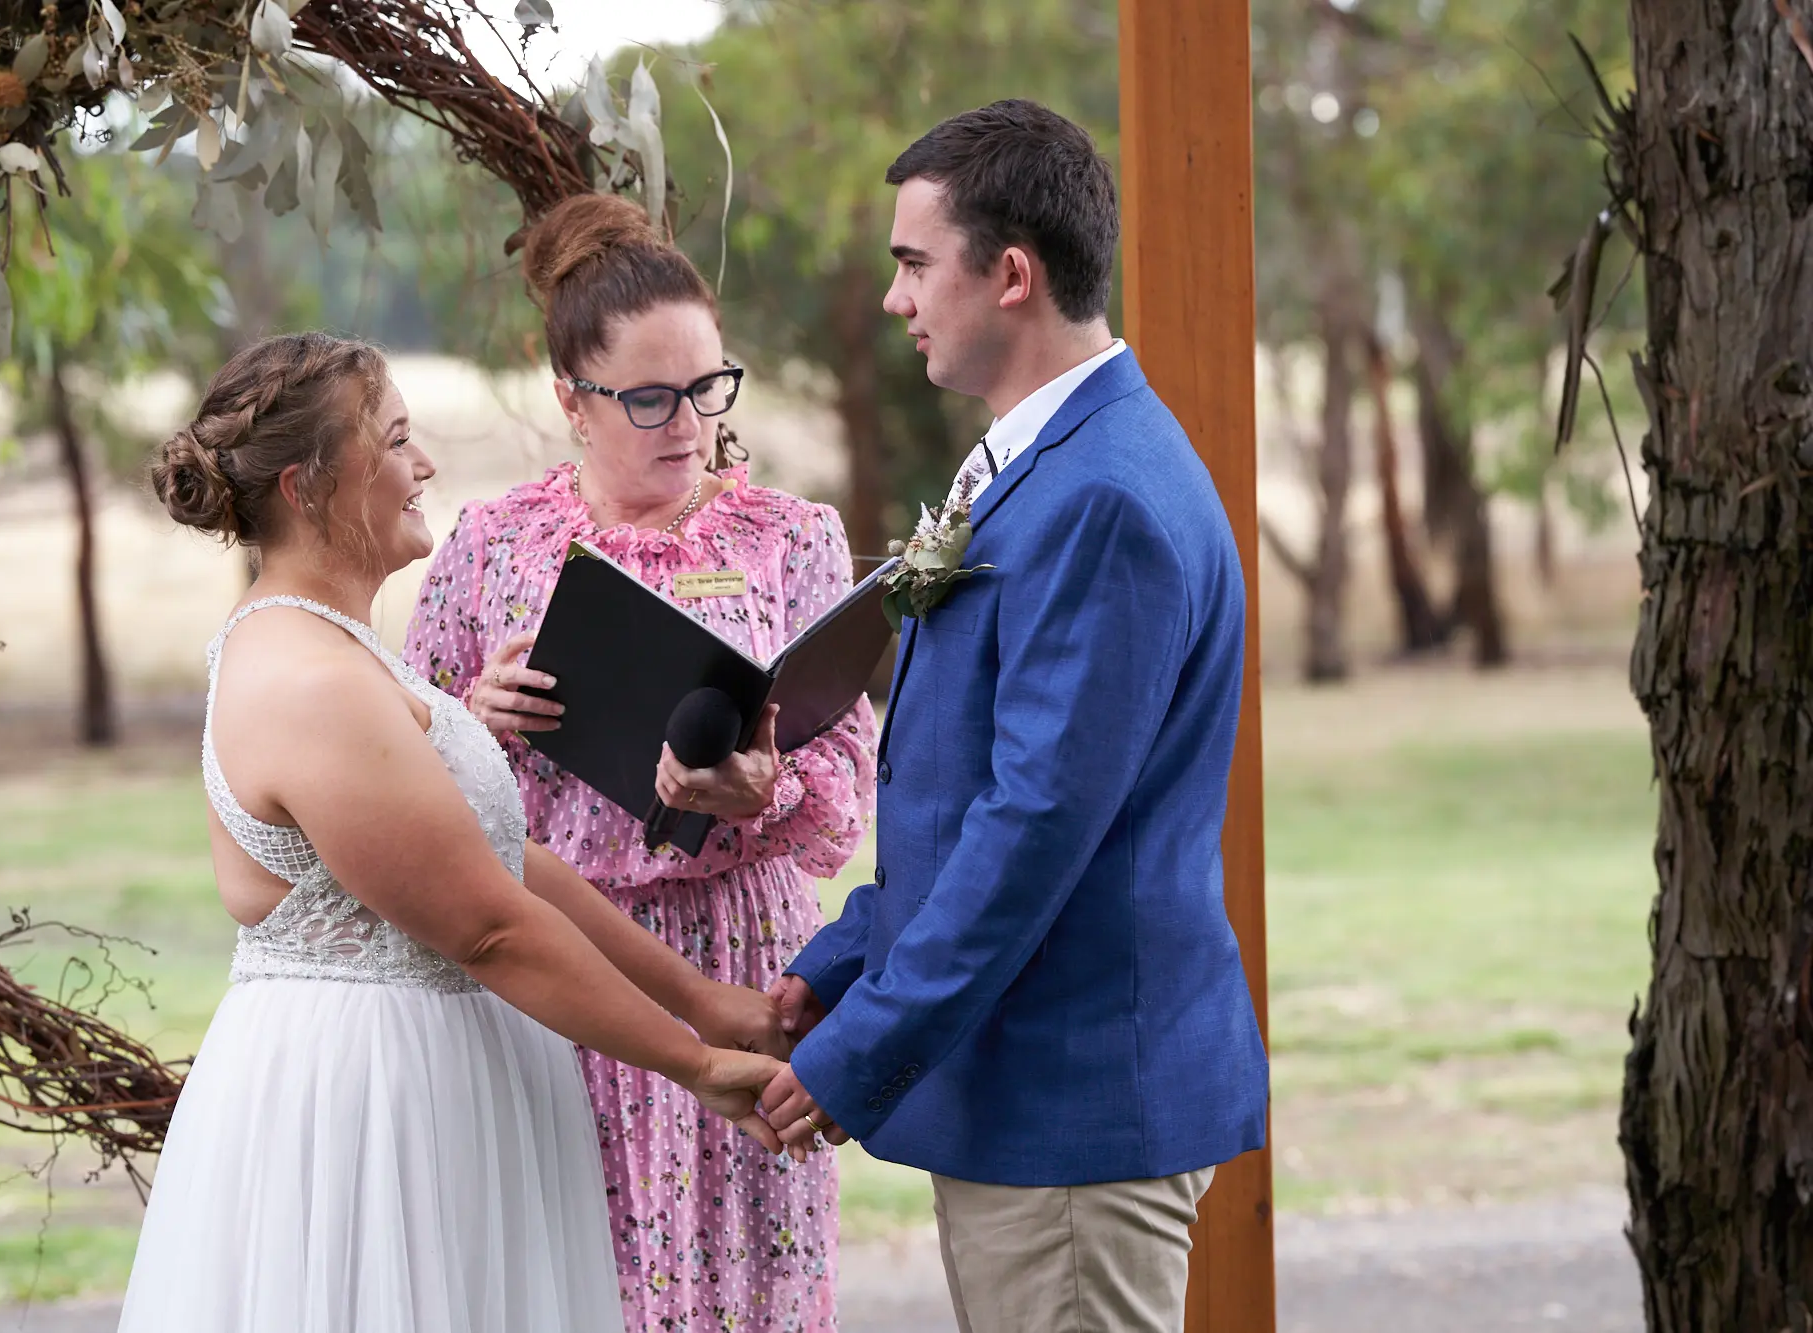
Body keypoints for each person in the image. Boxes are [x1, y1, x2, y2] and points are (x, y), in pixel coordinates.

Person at [120, 332, 793, 1333]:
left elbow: (503, 862)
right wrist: (693, 1066)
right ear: (308, 487)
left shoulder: (345, 650)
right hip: (368, 1112)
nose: (424, 464)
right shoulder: (308, 681)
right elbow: (487, 927)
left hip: (441, 1083)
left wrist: (704, 1002)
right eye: (396, 441)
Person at [760, 101, 1271, 1333]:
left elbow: (1035, 824)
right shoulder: (1043, 460)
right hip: (1026, 1099)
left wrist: (863, 1047)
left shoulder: (1101, 497)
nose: (896, 298)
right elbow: (970, 790)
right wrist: (842, 962)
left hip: (1070, 1106)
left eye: (912, 263)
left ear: (1009, 275)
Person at [404, 193, 875, 1332]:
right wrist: (475, 715)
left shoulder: (793, 539)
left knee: (740, 1285)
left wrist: (765, 793)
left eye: (710, 388)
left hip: (742, 957)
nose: (689, 424)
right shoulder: (490, 546)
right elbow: (402, 771)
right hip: (555, 954)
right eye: (652, 397)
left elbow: (848, 781)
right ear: (570, 398)